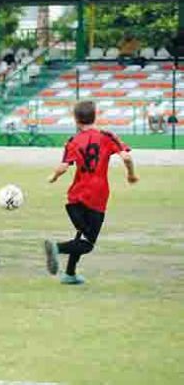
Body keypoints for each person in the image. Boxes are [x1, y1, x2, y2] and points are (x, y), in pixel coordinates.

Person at [44, 100, 138, 285]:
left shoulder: (73, 141)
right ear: (96, 114)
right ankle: (56, 248)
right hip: (96, 198)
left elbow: (64, 166)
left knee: (81, 235)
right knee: (87, 244)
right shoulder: (106, 136)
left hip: (75, 199)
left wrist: (53, 177)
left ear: (75, 119)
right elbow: (126, 157)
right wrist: (131, 175)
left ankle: (70, 274)